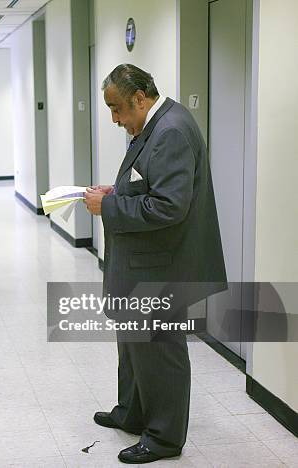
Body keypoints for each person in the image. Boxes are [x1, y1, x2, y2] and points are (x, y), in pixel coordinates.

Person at [84, 64, 226, 464]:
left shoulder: (171, 131)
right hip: (143, 264)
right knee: (133, 346)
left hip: (162, 267)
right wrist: (119, 190)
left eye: (116, 109)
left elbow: (169, 206)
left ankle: (163, 438)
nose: (114, 119)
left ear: (140, 99)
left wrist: (108, 206)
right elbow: (151, 183)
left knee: (159, 350)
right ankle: (132, 412)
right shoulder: (153, 124)